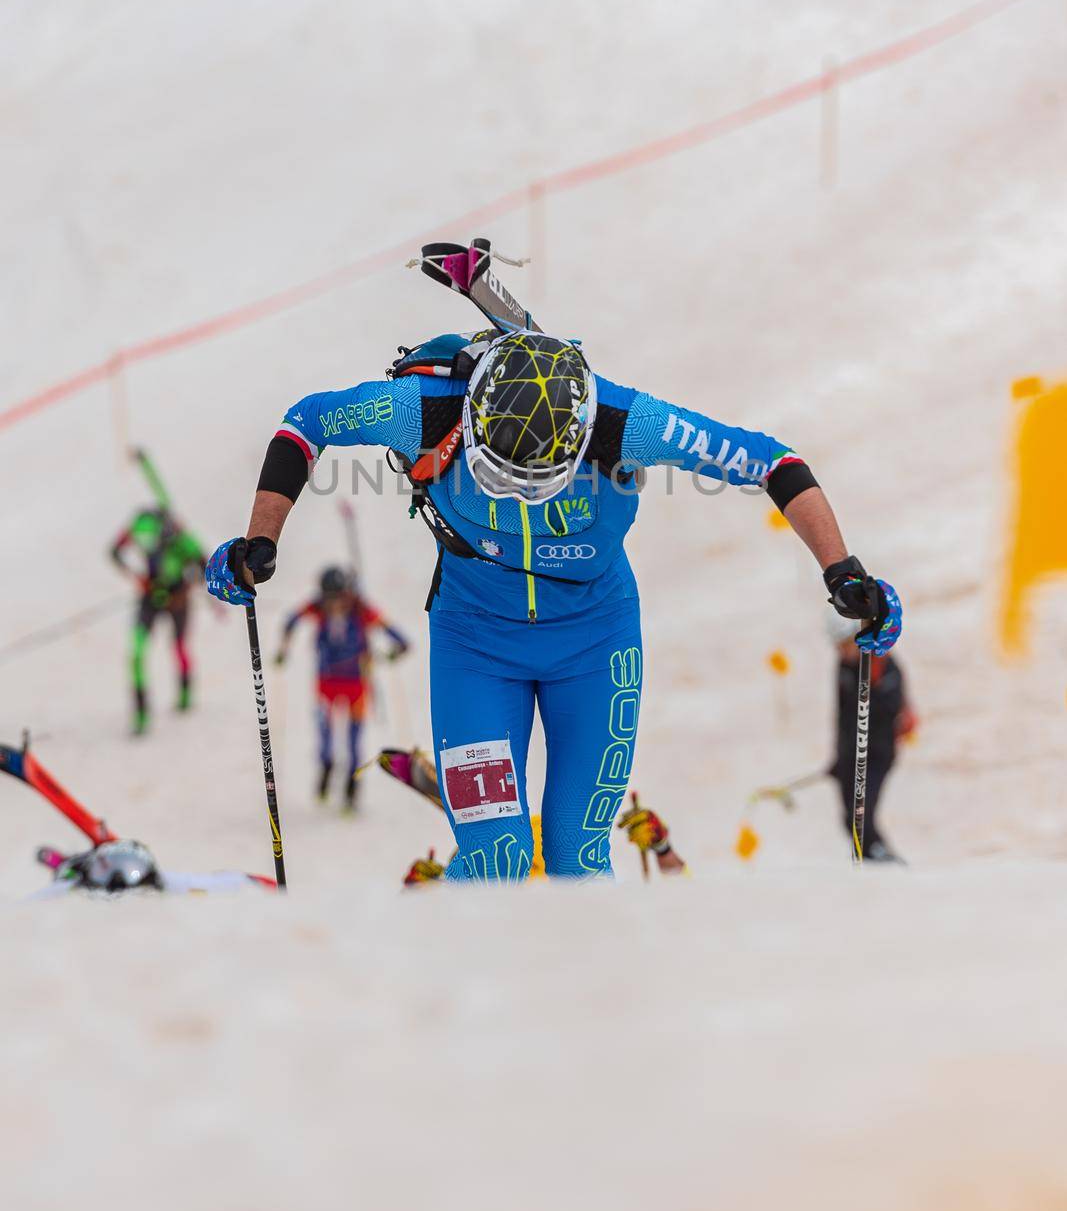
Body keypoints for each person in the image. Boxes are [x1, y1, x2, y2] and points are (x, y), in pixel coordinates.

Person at [206, 321, 903, 882]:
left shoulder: (625, 422)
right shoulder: (424, 409)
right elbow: (307, 423)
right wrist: (259, 541)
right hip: (475, 645)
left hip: (595, 647)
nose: (514, 496)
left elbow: (772, 463)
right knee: (493, 859)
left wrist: (842, 571)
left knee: (576, 856)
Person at [276, 566, 409, 806]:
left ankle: (351, 787)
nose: (335, 603)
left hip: (356, 684)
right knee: (325, 734)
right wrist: (283, 650)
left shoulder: (360, 610)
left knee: (353, 739)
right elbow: (291, 621)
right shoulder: (318, 607)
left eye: (339, 597)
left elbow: (395, 635)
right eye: (330, 598)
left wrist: (394, 651)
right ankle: (326, 771)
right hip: (327, 682)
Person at [828, 612, 916, 863]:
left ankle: (881, 856)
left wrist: (870, 691)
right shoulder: (844, 667)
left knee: (861, 813)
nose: (841, 652)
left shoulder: (883, 666)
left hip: (877, 753)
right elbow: (843, 715)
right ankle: (869, 857)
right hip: (849, 752)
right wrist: (839, 756)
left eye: (845, 644)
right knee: (848, 817)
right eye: (838, 646)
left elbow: (888, 711)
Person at [109, 506, 206, 735]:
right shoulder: (137, 527)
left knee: (179, 646)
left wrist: (184, 592)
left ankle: (184, 694)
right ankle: (141, 712)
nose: (144, 547)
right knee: (137, 651)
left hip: (178, 598)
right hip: (150, 594)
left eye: (148, 542)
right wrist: (137, 577)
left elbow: (204, 566)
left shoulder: (181, 539)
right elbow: (114, 551)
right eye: (140, 542)